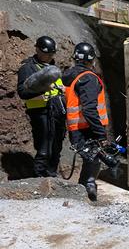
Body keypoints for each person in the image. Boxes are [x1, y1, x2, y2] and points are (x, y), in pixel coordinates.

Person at [62, 42, 109, 201]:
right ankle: (86, 191)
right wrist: (100, 133)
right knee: (93, 159)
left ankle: (84, 189)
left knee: (91, 159)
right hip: (87, 128)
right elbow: (89, 109)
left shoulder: (69, 76)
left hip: (75, 127)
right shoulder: (88, 78)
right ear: (91, 60)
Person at [16, 36, 66, 177]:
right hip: (40, 112)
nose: (49, 57)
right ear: (37, 49)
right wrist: (43, 90)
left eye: (52, 54)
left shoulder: (52, 68)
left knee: (56, 147)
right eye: (47, 54)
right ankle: (39, 178)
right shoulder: (28, 68)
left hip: (56, 112)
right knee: (44, 147)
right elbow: (23, 92)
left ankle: (52, 176)